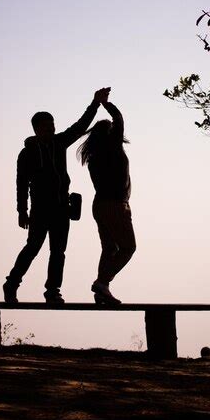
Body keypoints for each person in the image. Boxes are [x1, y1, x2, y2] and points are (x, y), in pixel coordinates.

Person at [3, 88, 109, 305]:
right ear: (36, 129)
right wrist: (21, 211)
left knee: (58, 252)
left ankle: (52, 291)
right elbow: (21, 183)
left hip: (62, 208)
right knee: (32, 248)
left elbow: (80, 127)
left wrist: (95, 103)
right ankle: (11, 284)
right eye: (46, 125)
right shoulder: (27, 153)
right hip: (40, 209)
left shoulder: (60, 143)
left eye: (52, 124)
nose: (51, 128)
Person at [78, 90, 136, 304]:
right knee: (128, 248)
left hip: (100, 205)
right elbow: (119, 119)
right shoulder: (112, 147)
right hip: (114, 205)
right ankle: (102, 282)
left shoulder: (94, 155)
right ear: (109, 134)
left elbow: (117, 122)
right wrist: (106, 104)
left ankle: (102, 292)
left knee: (110, 248)